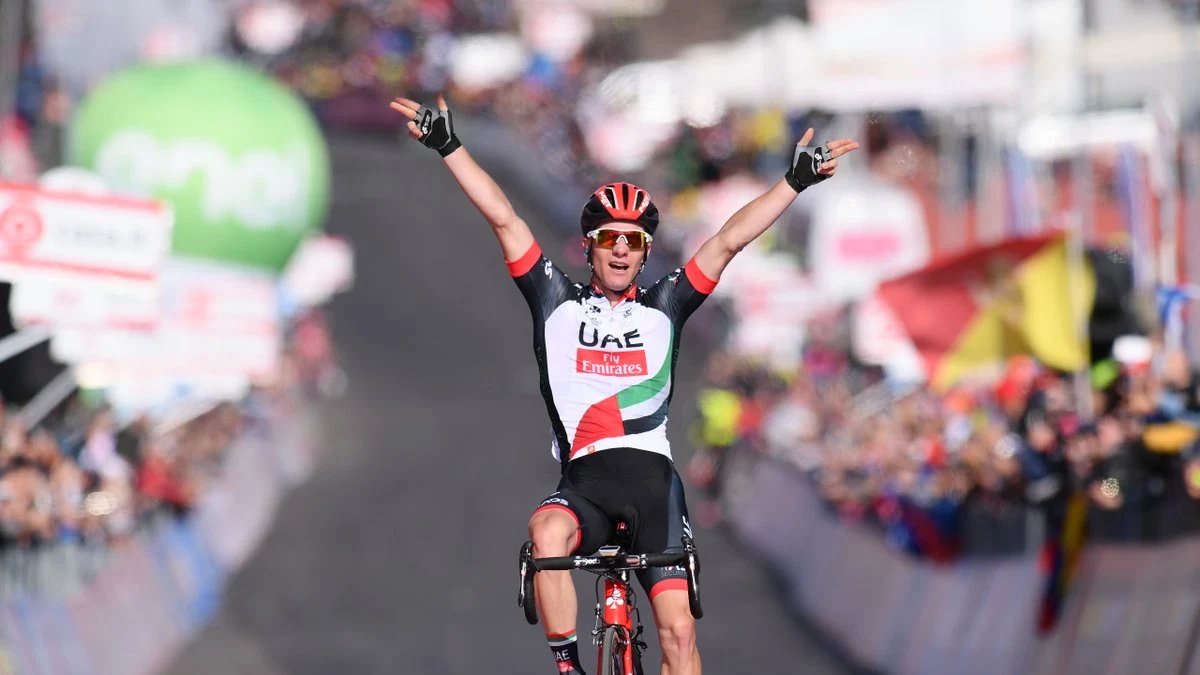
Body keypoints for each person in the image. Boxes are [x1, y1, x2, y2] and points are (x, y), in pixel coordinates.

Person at [390, 93, 858, 675]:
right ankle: (569, 667)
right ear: (589, 245)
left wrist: (794, 181)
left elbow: (728, 240)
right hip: (585, 486)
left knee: (679, 637)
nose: (619, 249)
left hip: (653, 489)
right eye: (609, 237)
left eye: (632, 241)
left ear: (644, 253)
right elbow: (504, 218)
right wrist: (448, 146)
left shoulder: (666, 305)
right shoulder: (555, 300)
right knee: (545, 533)